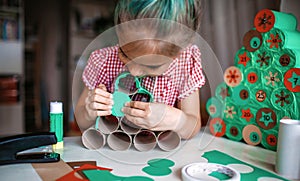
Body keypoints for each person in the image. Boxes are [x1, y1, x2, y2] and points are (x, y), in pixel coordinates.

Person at [75, 0, 205, 139]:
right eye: (124, 54)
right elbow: (81, 120)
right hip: (114, 148)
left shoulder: (185, 63)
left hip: (162, 154)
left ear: (179, 53)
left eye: (152, 66)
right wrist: (88, 111)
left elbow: (193, 126)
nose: (134, 71)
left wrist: (178, 121)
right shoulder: (102, 61)